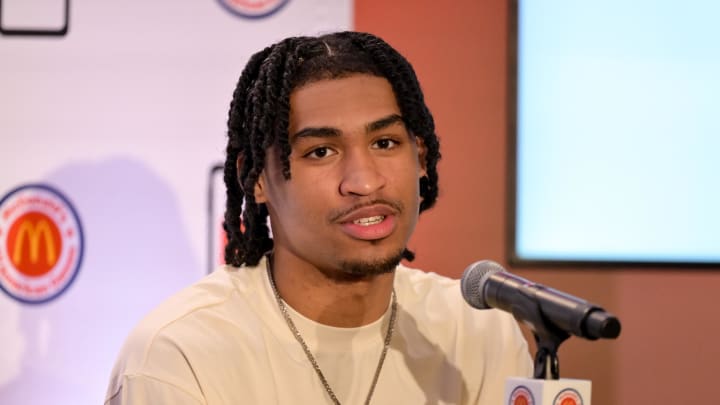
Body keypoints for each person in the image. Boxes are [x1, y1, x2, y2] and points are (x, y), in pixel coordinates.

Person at [105, 31, 532, 405]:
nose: (364, 182)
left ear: (421, 157)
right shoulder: (179, 354)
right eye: (321, 152)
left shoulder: (479, 333)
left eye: (385, 142)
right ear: (254, 180)